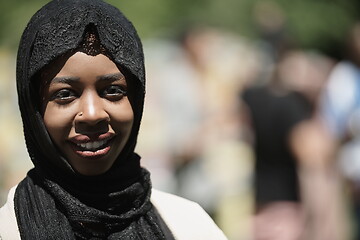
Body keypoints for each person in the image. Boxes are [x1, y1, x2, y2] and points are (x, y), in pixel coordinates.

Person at [0, 0, 228, 239]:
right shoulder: (9, 230)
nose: (92, 114)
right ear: (34, 108)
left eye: (112, 91)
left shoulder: (188, 225)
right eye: (65, 94)